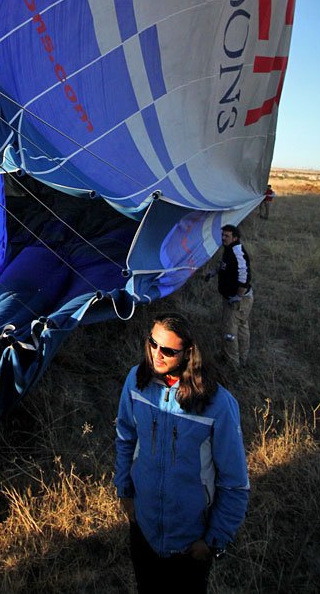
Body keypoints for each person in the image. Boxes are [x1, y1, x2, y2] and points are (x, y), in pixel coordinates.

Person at [114, 312, 249, 593]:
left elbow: (234, 482)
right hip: (144, 531)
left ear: (188, 353)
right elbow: (125, 438)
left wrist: (213, 540)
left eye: (167, 350)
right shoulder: (135, 383)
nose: (156, 354)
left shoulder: (218, 405)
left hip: (190, 543)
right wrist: (124, 491)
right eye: (152, 343)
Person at [204, 224, 254, 369]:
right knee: (241, 326)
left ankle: (232, 364)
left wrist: (238, 297)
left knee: (230, 331)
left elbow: (244, 276)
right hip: (233, 298)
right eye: (223, 235)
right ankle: (241, 359)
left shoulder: (238, 252)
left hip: (237, 300)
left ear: (235, 238)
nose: (223, 238)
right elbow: (226, 265)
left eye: (227, 236)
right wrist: (214, 272)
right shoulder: (229, 249)